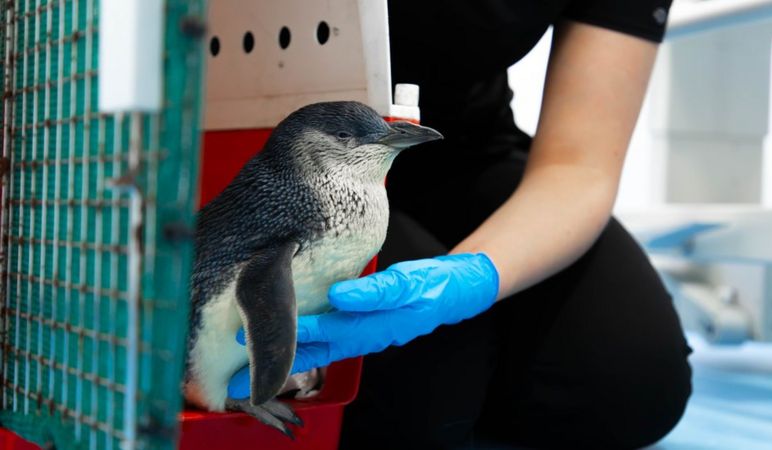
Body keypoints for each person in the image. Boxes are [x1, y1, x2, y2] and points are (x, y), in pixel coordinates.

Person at [235, 0, 692, 448]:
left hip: (459, 147)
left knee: (629, 384)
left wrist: (474, 275)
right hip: (266, 146)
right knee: (425, 376)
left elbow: (579, 168)